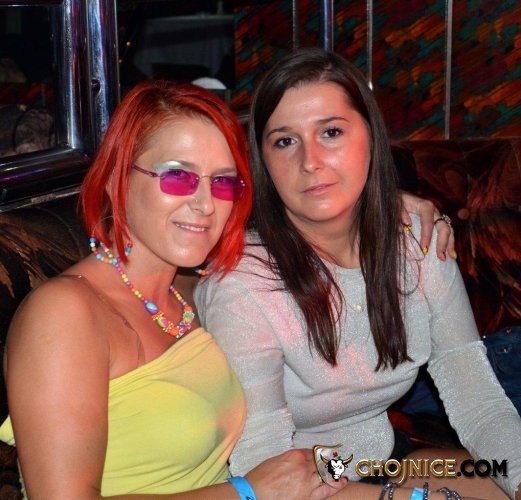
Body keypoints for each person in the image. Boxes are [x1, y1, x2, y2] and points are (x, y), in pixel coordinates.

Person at [194, 48, 521, 500]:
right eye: (285, 141)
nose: (310, 161)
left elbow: (478, 401)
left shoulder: (418, 241)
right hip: (302, 484)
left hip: (384, 460)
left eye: (331, 132)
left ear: (371, 135)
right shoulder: (243, 284)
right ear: (262, 161)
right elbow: (264, 461)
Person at [0, 80, 350, 499]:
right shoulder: (63, 315)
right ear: (116, 179)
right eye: (178, 176)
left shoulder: (191, 291)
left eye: (223, 182)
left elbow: (309, 237)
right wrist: (247, 492)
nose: (205, 204)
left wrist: (399, 207)